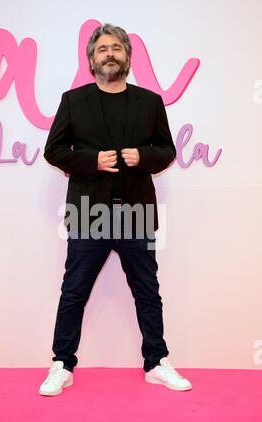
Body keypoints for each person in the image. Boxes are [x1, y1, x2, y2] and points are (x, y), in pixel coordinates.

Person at [39, 23, 192, 396]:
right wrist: (92, 161)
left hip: (136, 211)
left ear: (127, 57)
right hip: (89, 212)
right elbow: (53, 152)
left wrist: (143, 157)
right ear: (92, 59)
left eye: (116, 48)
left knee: (147, 290)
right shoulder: (73, 101)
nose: (110, 53)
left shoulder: (150, 102)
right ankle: (62, 364)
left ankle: (156, 362)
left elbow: (167, 152)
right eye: (103, 48)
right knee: (74, 290)